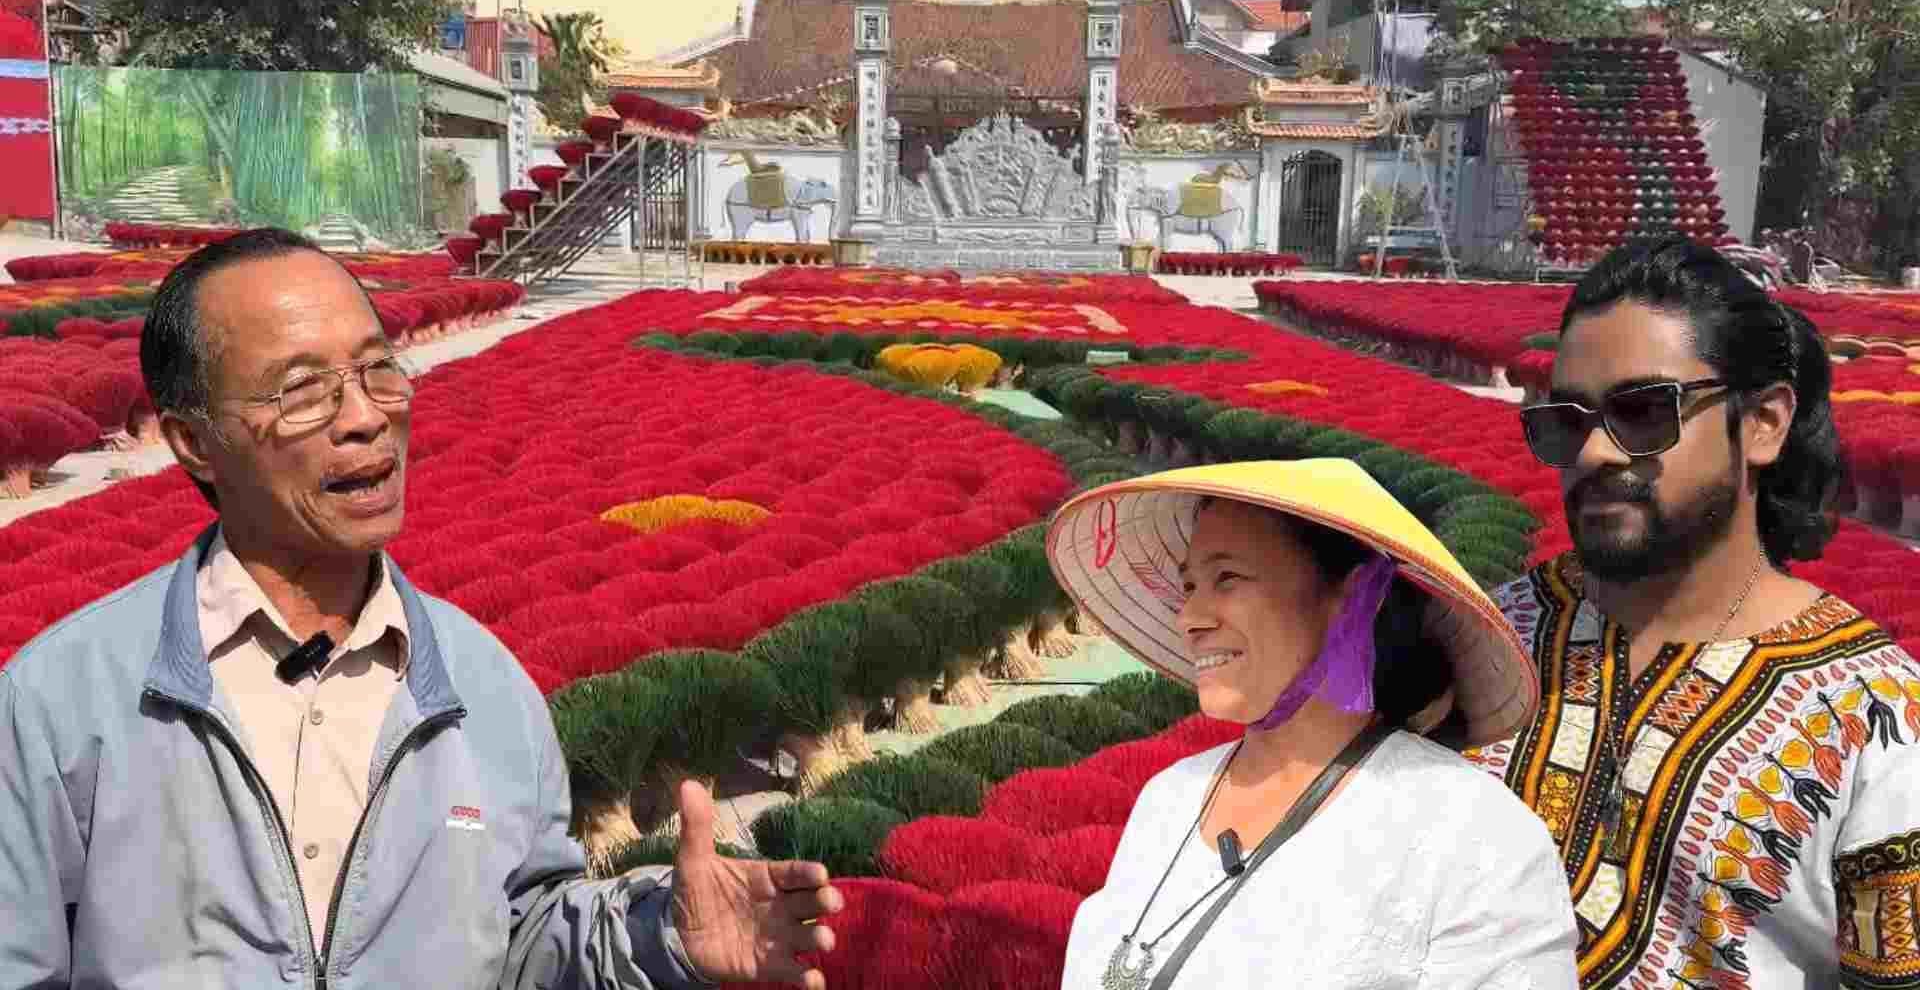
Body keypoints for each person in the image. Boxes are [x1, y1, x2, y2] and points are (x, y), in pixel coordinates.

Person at [0, 228, 842, 989]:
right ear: (193, 441)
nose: (366, 418)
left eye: (377, 370)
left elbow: (522, 939)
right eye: (303, 390)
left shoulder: (484, 685)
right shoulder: (62, 702)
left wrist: (663, 939)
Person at [1460, 235, 1920, 987]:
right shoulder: (1480, 640)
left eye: (1645, 412)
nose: (1598, 453)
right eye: (1566, 421)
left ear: (1765, 422)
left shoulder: (1878, 720)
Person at [1045, 459, 1580, 989]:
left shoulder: (1470, 833)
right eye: (1189, 586)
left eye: (1226, 578)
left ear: (1352, 593)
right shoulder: (1168, 799)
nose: (1191, 617)